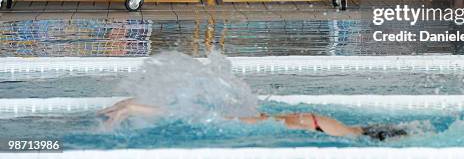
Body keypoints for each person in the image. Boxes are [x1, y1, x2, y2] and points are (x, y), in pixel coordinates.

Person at [98, 98, 408, 141]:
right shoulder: (351, 135)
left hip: (303, 120)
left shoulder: (349, 131)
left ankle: (126, 107)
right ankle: (127, 108)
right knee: (192, 114)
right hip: (306, 123)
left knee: (190, 112)